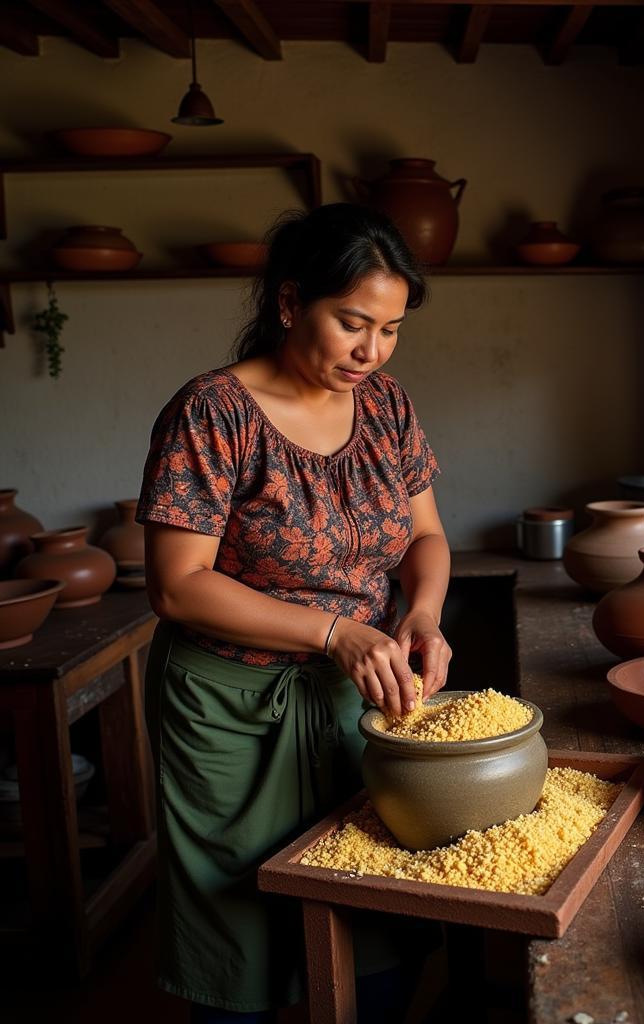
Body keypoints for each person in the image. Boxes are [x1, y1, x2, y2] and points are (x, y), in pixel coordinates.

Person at [136, 202, 452, 1023]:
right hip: (229, 706)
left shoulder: (386, 407)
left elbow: (425, 536)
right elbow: (177, 584)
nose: (371, 351)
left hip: (363, 690)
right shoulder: (213, 413)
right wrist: (334, 631)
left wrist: (421, 612)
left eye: (390, 329)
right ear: (289, 301)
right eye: (352, 323)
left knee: (372, 894)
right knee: (239, 918)